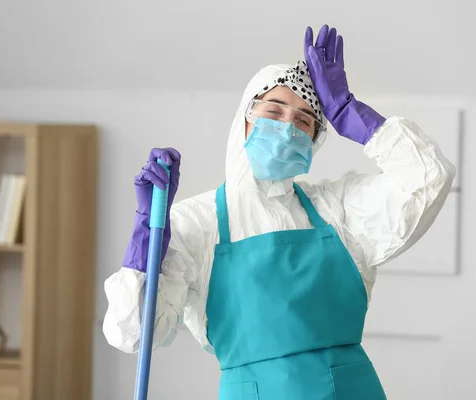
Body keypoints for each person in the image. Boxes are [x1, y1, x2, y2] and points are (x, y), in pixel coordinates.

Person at [103, 24, 456, 399]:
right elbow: (133, 333)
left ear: (315, 139)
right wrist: (147, 231)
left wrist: (352, 113)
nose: (288, 127)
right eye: (274, 110)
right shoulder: (196, 224)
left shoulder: (337, 210)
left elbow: (428, 178)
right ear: (244, 119)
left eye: (304, 120)